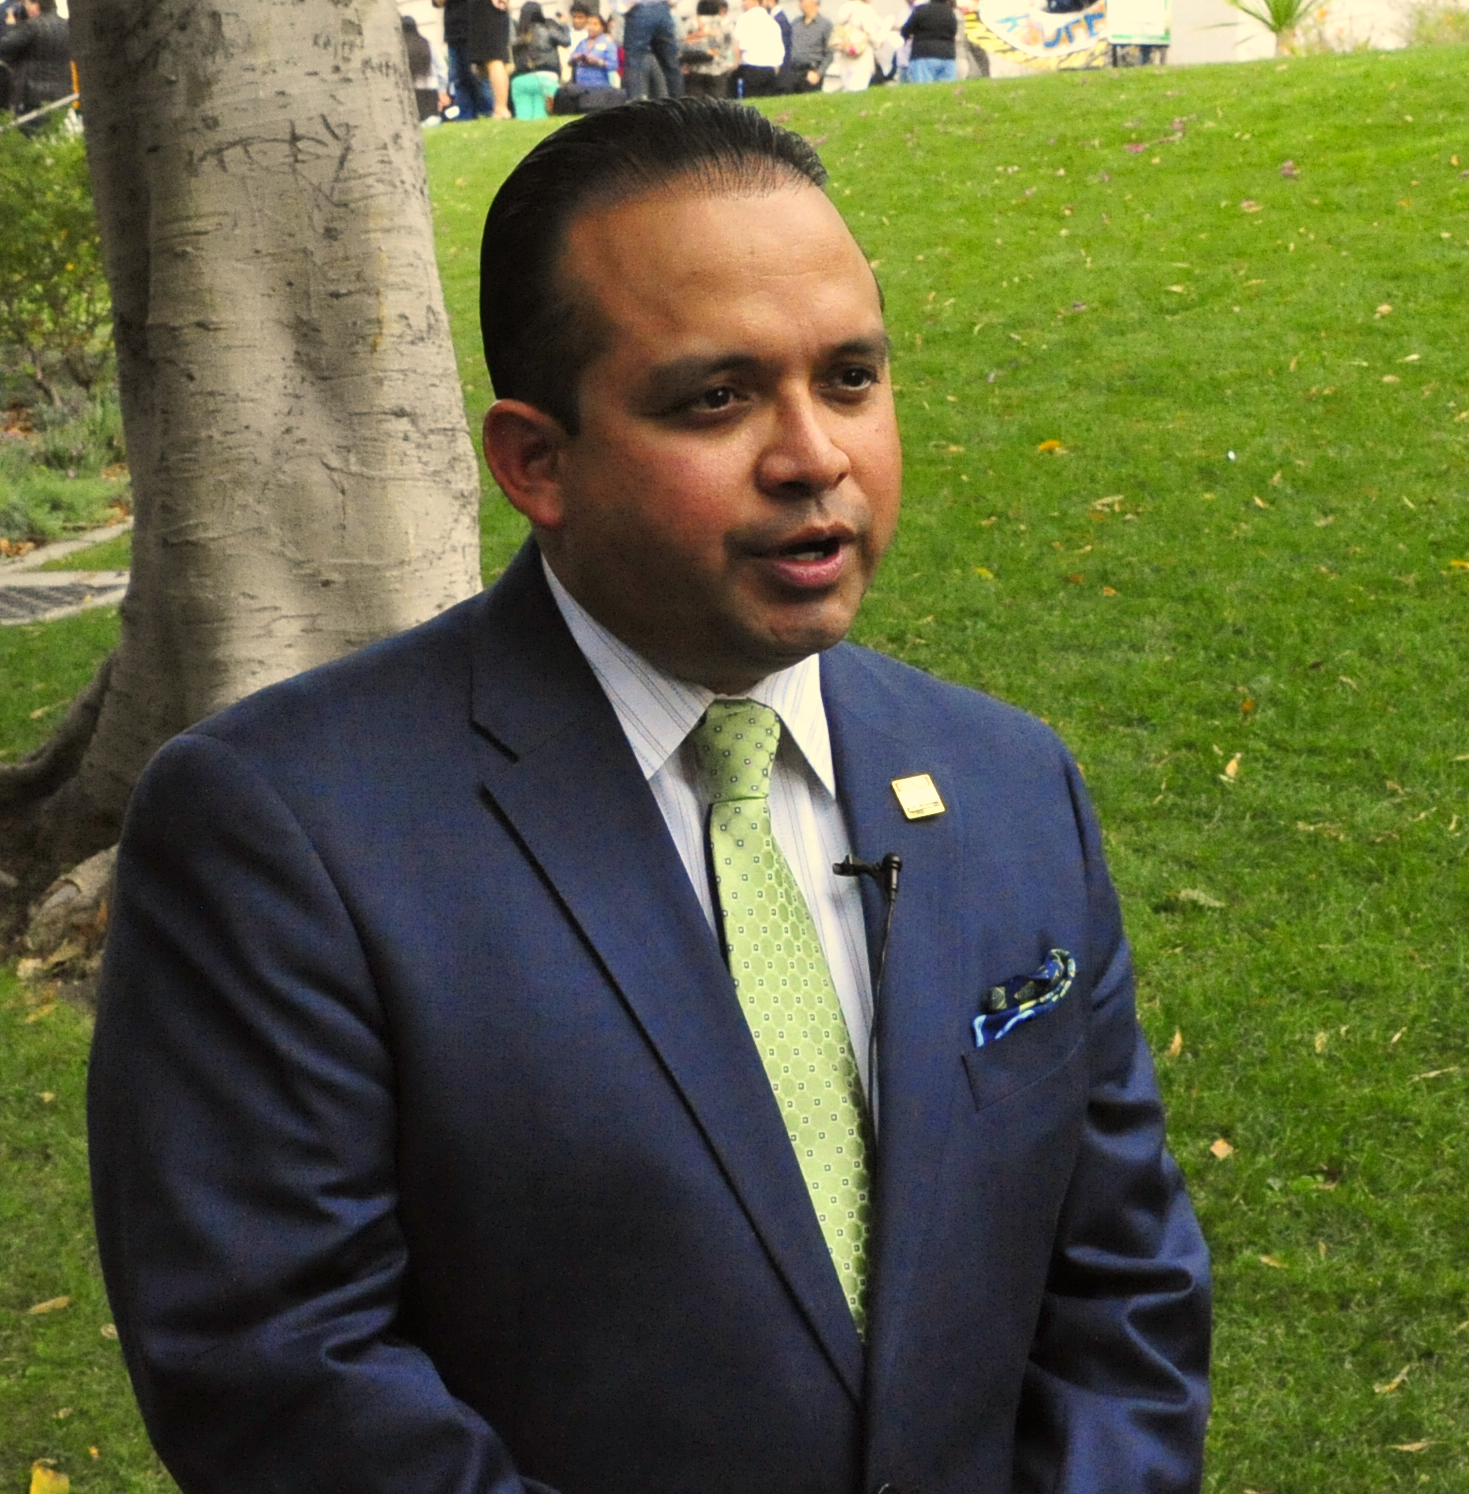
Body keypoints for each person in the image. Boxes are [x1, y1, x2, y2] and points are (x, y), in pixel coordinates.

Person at [89, 98, 1211, 1494]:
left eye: (851, 377)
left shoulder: (1008, 781)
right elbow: (279, 1373)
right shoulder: (283, 832)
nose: (817, 455)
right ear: (534, 462)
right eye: (717, 398)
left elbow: (1123, 1287)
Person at [0, 0, 70, 131]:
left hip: (32, 93)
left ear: (39, 4)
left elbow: (6, 46)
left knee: (30, 135)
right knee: (53, 133)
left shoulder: (33, 25)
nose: (27, 8)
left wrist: (12, 25)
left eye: (30, 4)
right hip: (62, 93)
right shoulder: (66, 26)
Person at [617, 0, 684, 100]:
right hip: (662, 9)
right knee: (670, 63)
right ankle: (677, 106)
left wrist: (622, 8)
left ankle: (636, 107)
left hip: (638, 9)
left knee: (636, 61)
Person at [510, 0, 568, 117]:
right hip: (546, 77)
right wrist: (563, 25)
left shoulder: (518, 32)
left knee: (523, 117)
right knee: (541, 116)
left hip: (520, 78)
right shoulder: (548, 28)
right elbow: (566, 41)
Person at [822, 0, 888, 91]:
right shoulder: (865, 9)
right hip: (861, 56)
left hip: (845, 56)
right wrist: (881, 40)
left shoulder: (843, 9)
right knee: (858, 91)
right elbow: (870, 34)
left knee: (848, 88)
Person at [466, 0, 515, 117]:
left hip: (488, 10)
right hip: (488, 10)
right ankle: (500, 107)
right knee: (493, 59)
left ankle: (501, 108)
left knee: (493, 58)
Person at [679, 0, 737, 97]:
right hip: (718, 70)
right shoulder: (725, 23)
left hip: (695, 69)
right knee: (717, 105)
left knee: (696, 105)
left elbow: (682, 43)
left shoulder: (692, 22)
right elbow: (731, 45)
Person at [731, 0, 783, 95]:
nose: (743, 3)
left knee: (752, 103)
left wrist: (734, 66)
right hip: (770, 70)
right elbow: (779, 50)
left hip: (751, 69)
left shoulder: (744, 19)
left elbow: (737, 46)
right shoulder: (772, 21)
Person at [778, 0, 831, 92]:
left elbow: (829, 53)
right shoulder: (795, 23)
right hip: (793, 72)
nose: (800, 4)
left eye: (803, 1)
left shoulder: (825, 25)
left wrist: (818, 73)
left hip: (811, 73)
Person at [899, 0, 958, 83]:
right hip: (947, 55)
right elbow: (954, 31)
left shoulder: (921, 10)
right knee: (947, 92)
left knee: (924, 91)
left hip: (924, 55)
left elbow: (906, 31)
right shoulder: (950, 13)